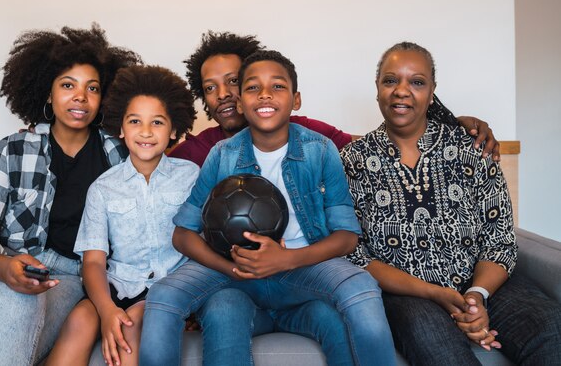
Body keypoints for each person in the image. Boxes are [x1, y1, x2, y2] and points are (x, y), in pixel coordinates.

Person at [140, 50, 397, 366]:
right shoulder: (223, 154)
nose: (264, 94)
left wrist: (287, 258)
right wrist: (232, 268)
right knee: (163, 295)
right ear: (241, 100)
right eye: (252, 87)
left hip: (302, 266)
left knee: (362, 287)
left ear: (296, 99)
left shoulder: (320, 149)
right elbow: (183, 235)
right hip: (235, 270)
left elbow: (346, 236)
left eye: (277, 86)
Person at [339, 41, 561, 365]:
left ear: (432, 93)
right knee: (435, 343)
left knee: (550, 328)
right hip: (408, 296)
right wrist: (433, 293)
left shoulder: (472, 147)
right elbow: (354, 254)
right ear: (377, 89)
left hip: (483, 283)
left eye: (417, 82)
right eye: (390, 80)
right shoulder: (352, 161)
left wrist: (476, 296)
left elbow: (499, 239)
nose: (402, 91)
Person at [0, 24, 141, 366]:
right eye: (68, 85)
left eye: (93, 88)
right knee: (18, 301)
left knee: (27, 313)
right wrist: (6, 267)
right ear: (48, 93)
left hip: (70, 278)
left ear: (104, 98)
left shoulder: (120, 155)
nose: (80, 97)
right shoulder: (12, 150)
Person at [45, 65, 199, 366]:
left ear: (173, 130)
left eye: (157, 122)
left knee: (132, 323)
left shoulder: (191, 176)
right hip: (118, 284)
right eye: (135, 121)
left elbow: (204, 242)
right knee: (80, 319)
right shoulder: (103, 187)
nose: (145, 131)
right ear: (120, 128)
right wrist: (105, 310)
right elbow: (92, 261)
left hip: (170, 288)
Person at [169, 31, 500, 167]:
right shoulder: (195, 152)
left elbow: (373, 147)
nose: (224, 93)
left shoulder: (305, 134)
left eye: (233, 82)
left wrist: (450, 124)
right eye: (210, 87)